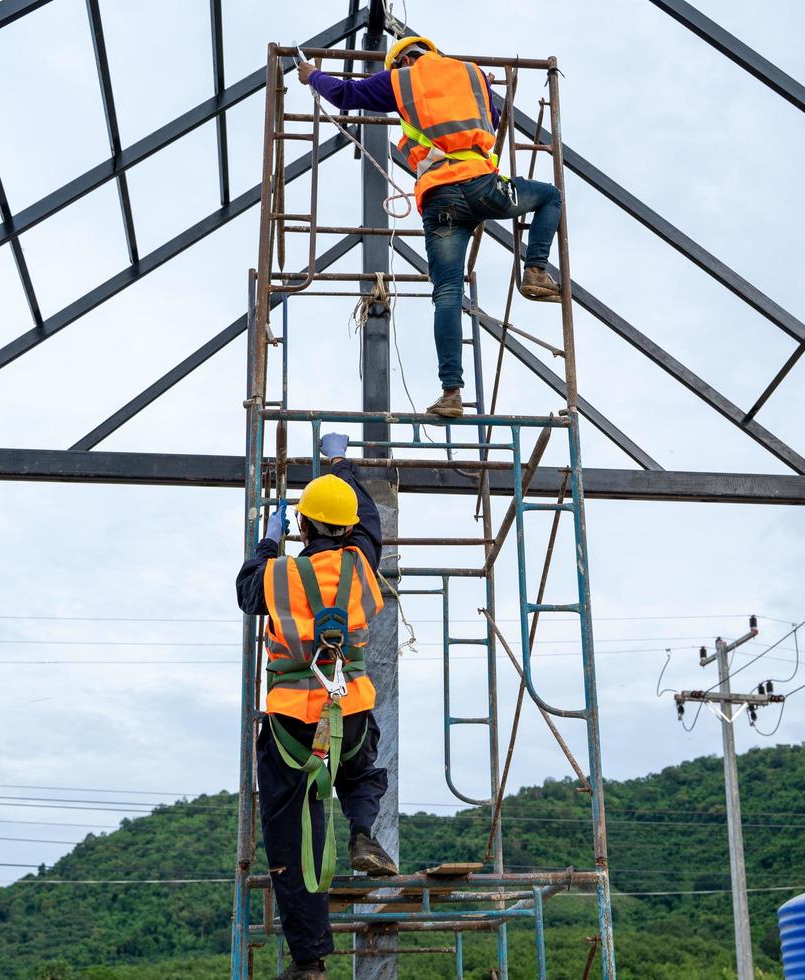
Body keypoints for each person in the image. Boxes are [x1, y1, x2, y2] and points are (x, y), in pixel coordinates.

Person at [298, 36, 563, 419]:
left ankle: (451, 392)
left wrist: (312, 75)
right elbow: (494, 119)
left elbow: (344, 94)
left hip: (440, 201)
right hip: (483, 185)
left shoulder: (401, 80)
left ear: (403, 59)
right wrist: (485, 86)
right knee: (549, 196)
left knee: (448, 292)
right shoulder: (473, 76)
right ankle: (536, 269)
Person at [235, 432, 397, 980]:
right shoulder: (362, 569)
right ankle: (361, 832)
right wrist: (341, 465)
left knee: (289, 832)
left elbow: (245, 590)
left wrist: (267, 543)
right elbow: (369, 524)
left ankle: (309, 963)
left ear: (303, 527)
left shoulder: (279, 575)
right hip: (348, 709)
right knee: (362, 772)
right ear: (348, 530)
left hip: (290, 725)